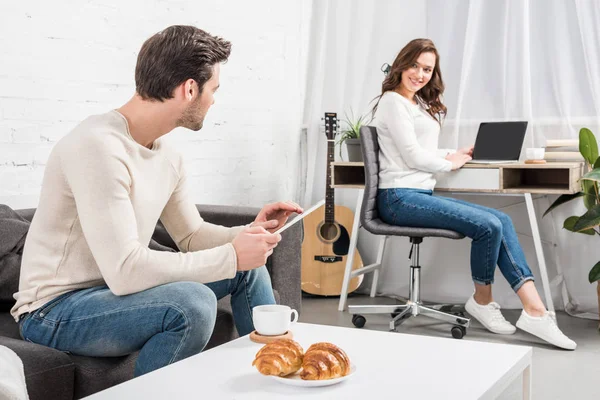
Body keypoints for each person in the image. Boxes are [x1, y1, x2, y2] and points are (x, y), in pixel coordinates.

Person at [11, 25, 304, 376]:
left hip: (111, 293)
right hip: (54, 310)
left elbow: (191, 235)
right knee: (191, 305)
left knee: (248, 271)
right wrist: (230, 255)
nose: (214, 100)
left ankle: (278, 376)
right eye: (214, 90)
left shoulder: (168, 156)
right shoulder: (96, 147)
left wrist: (249, 233)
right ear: (189, 89)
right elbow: (125, 272)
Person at [371, 38, 576, 350]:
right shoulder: (392, 102)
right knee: (488, 225)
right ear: (402, 63)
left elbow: (417, 149)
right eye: (415, 65)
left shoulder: (415, 104)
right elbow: (411, 156)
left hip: (417, 194)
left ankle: (535, 310)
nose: (420, 74)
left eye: (427, 69)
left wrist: (455, 153)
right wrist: (448, 164)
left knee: (502, 219)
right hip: (398, 198)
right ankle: (484, 301)